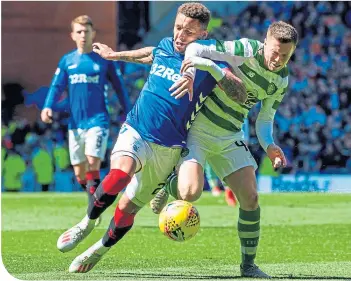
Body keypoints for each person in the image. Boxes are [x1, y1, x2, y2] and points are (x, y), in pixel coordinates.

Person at [55, 3, 246, 274]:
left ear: (203, 35)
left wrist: (212, 69)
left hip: (168, 148)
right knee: (120, 174)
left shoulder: (213, 60)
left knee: (127, 209)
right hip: (136, 129)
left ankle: (100, 249)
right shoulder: (168, 46)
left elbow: (241, 94)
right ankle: (87, 222)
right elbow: (150, 54)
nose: (180, 35)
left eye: (189, 32)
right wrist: (115, 55)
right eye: (178, 27)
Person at [151, 21, 298, 278]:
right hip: (199, 129)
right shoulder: (244, 49)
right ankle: (168, 184)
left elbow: (264, 120)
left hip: (231, 135)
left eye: (285, 56)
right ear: (266, 41)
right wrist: (204, 68)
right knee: (190, 193)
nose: (277, 59)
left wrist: (271, 145)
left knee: (251, 198)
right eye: (274, 52)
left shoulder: (281, 79)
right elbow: (196, 47)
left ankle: (248, 266)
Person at [41, 15, 131, 211]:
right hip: (75, 123)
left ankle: (94, 209)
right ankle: (94, 198)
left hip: (98, 120)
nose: (83, 35)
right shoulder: (68, 61)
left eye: (86, 31)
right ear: (73, 35)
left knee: (93, 162)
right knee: (80, 173)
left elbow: (119, 87)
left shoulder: (103, 60)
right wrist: (47, 106)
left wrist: (129, 112)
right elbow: (57, 86)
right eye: (79, 32)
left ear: (93, 34)